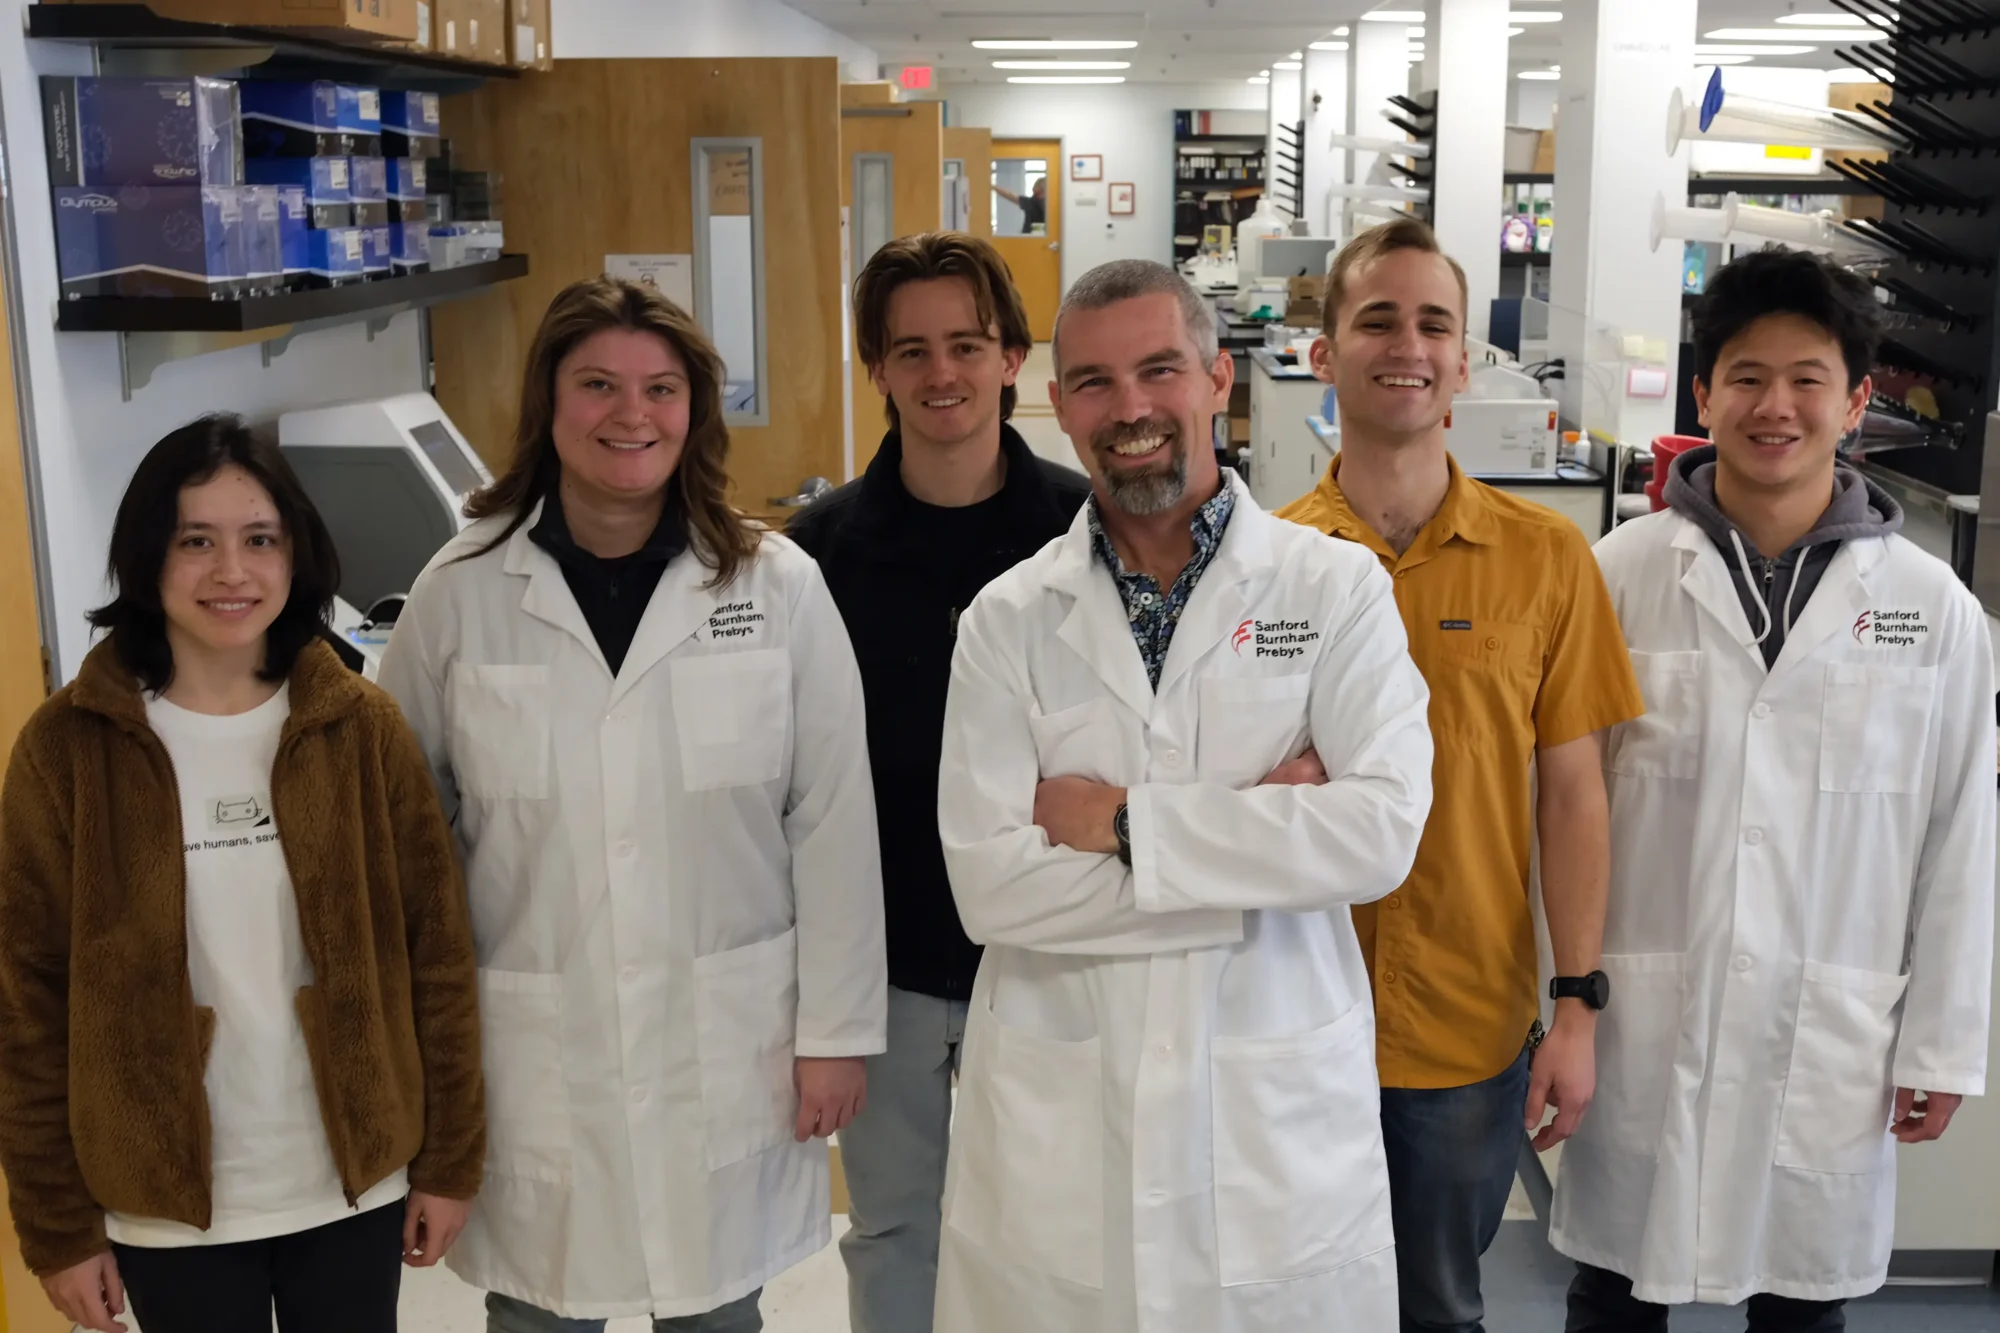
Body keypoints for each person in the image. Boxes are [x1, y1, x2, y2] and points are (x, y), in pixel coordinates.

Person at [932, 258, 1436, 1332]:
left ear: (1217, 379)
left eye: (1159, 369)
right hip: (1062, 1107)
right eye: (1095, 382)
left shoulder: (1332, 588)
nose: (1131, 409)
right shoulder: (1004, 620)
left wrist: (1113, 824)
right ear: (1059, 404)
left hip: (1271, 1112)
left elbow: (1379, 832)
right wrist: (1262, 852)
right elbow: (989, 889)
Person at [377, 276, 886, 1333]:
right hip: (532, 1045)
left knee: (715, 1306)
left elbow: (832, 820)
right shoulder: (458, 593)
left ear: (693, 410)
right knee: (538, 1308)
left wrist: (835, 1029)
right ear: (548, 404)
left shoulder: (774, 586)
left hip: (726, 1039)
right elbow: (408, 840)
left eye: (660, 388)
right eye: (597, 384)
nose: (630, 414)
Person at [1552, 247, 1996, 1331]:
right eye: (1745, 377)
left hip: (1825, 1026)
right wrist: (1554, 1007)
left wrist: (1940, 1038)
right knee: (1613, 1291)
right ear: (1702, 396)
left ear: (1854, 402)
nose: (1774, 406)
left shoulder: (1929, 608)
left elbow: (1957, 833)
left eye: (1807, 379)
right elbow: (1561, 810)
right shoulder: (1613, 576)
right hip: (1642, 1017)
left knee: (1801, 1304)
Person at [0, 416, 485, 1333]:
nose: (232, 571)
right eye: (196, 541)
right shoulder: (67, 751)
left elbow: (439, 960)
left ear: (296, 555)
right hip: (165, 1201)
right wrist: (59, 1227)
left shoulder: (359, 727)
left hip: (350, 1181)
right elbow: (27, 1004)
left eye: (259, 539)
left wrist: (449, 1161)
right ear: (148, 557)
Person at [1276, 217, 1644, 1333]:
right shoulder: (1267, 564)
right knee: (1285, 1301)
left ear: (1463, 358)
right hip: (1290, 1014)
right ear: (1322, 351)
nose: (1408, 344)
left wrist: (1573, 1007)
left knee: (1439, 1305)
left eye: (1434, 322)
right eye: (1375, 319)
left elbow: (1573, 795)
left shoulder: (1547, 560)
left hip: (1463, 1033)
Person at [786, 230, 1090, 1333]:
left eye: (966, 343)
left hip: (1049, 955)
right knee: (896, 1226)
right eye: (909, 350)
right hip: (889, 963)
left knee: (1053, 1228)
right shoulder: (815, 555)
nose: (940, 373)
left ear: (1013, 356)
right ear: (875, 368)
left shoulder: (1083, 532)